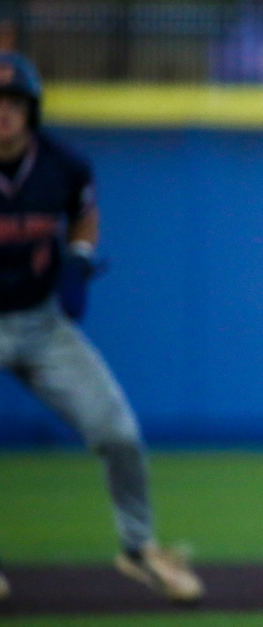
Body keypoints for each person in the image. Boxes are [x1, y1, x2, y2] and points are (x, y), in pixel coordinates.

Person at [0, 52, 204, 604]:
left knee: (117, 433)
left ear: (31, 110)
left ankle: (139, 548)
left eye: (14, 102)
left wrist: (80, 254)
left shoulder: (63, 164)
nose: (3, 114)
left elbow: (83, 213)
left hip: (41, 324)